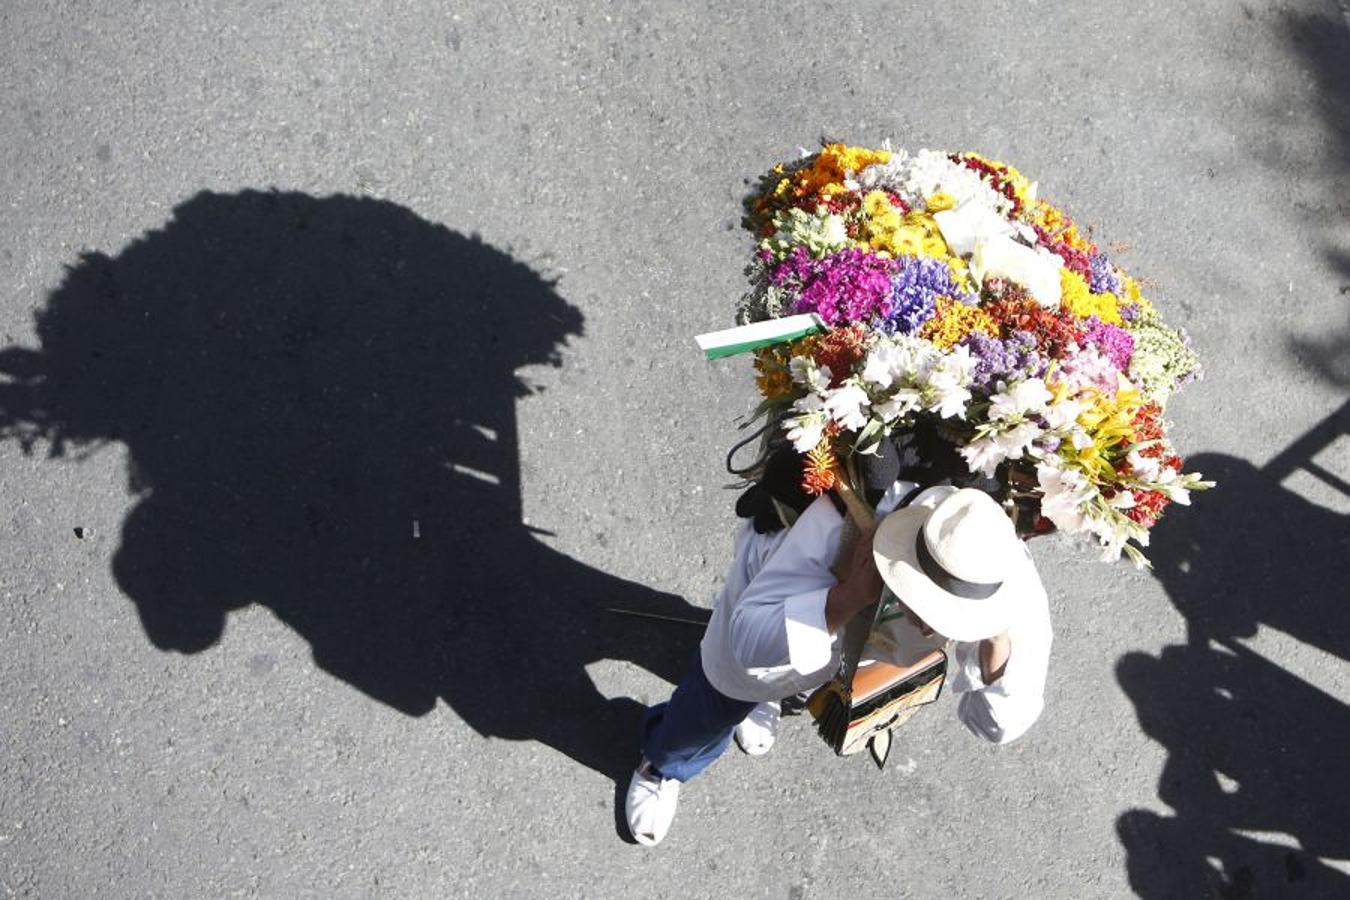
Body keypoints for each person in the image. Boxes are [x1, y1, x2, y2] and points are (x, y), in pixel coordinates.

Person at [624, 480, 1054, 846]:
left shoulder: (999, 573)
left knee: (798, 674)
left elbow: (995, 725)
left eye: (951, 616)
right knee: (710, 708)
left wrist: (996, 637)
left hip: (843, 655)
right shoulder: (836, 527)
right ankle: (661, 764)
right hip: (771, 607)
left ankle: (771, 696)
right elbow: (748, 642)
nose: (931, 630)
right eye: (927, 605)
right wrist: (849, 596)